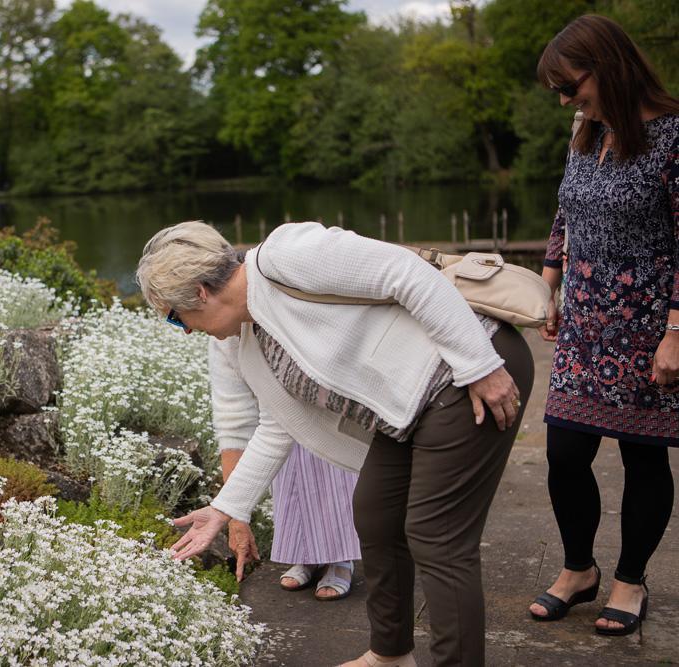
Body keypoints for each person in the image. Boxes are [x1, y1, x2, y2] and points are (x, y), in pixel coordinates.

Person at [137, 219, 533, 667]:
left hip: (470, 373)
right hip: (406, 411)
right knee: (376, 516)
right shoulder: (243, 340)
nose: (184, 330)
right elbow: (275, 426)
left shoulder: (288, 255)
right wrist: (227, 507)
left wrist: (480, 365)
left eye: (175, 317)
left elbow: (407, 273)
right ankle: (391, 656)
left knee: (436, 538)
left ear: (200, 293)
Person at [526, 14, 679, 636]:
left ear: (607, 66)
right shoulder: (586, 133)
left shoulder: (673, 136)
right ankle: (578, 569)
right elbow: (566, 211)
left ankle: (630, 580)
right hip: (586, 322)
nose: (566, 100)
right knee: (564, 451)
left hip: (649, 325)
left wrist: (676, 332)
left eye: (571, 86)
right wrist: (549, 282)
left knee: (644, 458)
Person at [215, 349, 361, 599]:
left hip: (323, 389)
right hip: (279, 411)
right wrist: (235, 515)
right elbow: (233, 419)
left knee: (332, 476)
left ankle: (340, 558)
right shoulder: (226, 343)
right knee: (292, 477)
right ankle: (305, 556)